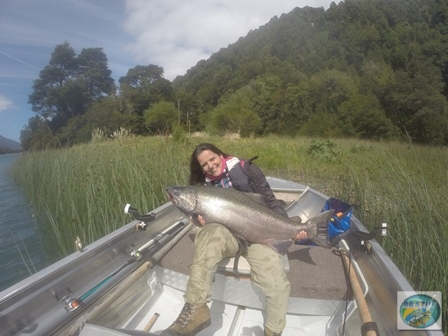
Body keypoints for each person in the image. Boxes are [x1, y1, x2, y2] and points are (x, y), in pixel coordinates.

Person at [161, 143, 307, 336]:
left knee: (276, 282)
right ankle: (197, 308)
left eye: (212, 159)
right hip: (227, 236)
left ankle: (274, 330)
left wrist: (292, 228)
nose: (210, 166)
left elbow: (270, 201)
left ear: (220, 155)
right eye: (204, 165)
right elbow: (197, 219)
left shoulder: (247, 169)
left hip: (259, 236)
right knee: (207, 233)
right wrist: (198, 221)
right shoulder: (201, 188)